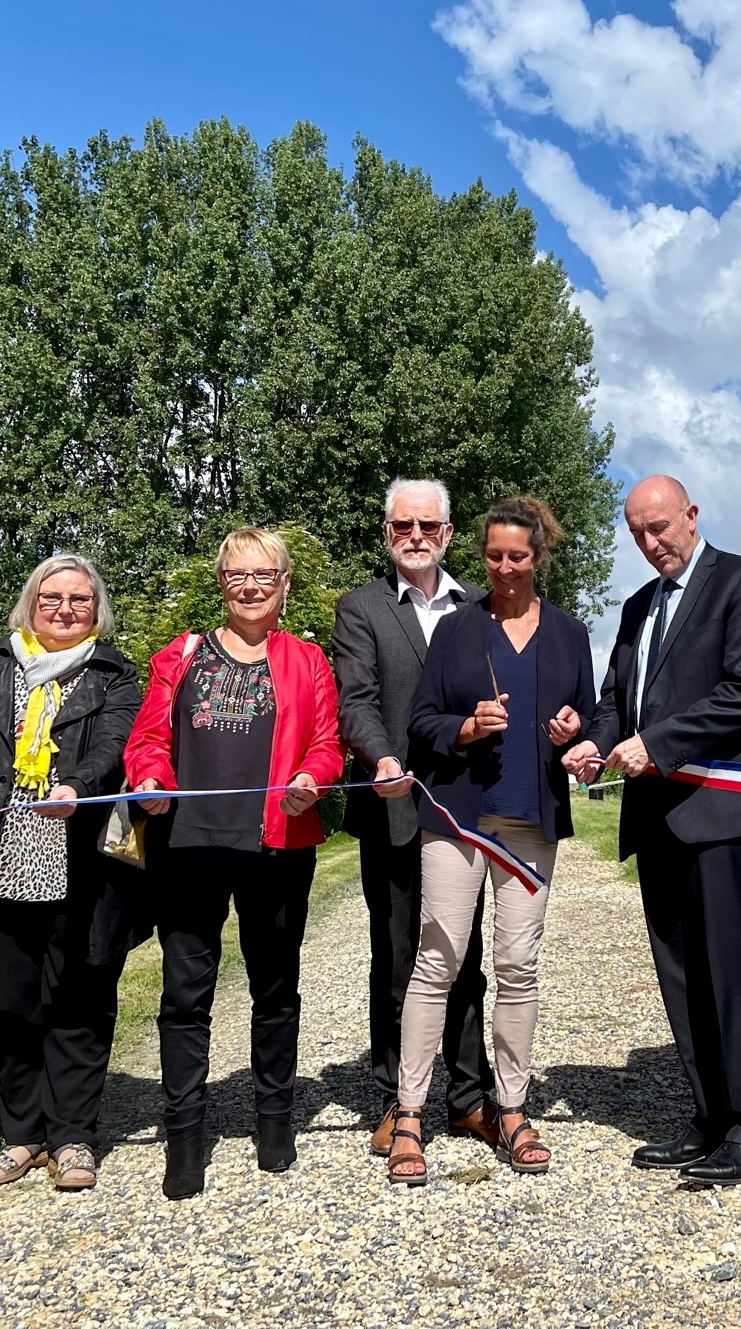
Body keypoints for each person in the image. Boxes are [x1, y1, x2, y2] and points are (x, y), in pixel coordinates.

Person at [563, 475, 741, 1187]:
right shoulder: (636, 608)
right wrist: (592, 741)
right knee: (684, 980)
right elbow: (614, 702)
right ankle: (712, 1118)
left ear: (692, 516)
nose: (651, 542)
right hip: (658, 820)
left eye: (660, 527)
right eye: (638, 532)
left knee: (737, 977)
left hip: (727, 818)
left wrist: (657, 742)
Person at [125, 527, 343, 1199]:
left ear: (284, 583)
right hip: (187, 849)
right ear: (221, 581)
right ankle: (185, 1136)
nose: (250, 586)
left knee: (274, 992)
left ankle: (274, 1120)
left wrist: (312, 777)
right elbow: (148, 740)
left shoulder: (309, 661)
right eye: (237, 574)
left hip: (277, 847)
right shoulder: (180, 656)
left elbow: (329, 746)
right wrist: (152, 780)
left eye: (264, 575)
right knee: (185, 999)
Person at [386, 497, 597, 1184]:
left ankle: (511, 1107)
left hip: (530, 820)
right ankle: (411, 1112)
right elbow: (422, 722)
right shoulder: (454, 630)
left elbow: (590, 714)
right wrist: (464, 729)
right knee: (438, 959)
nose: (504, 568)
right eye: (493, 556)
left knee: (517, 965)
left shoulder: (568, 633)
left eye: (518, 556)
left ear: (539, 558)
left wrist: (577, 733)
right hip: (457, 815)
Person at [0, 555, 144, 1191]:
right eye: (53, 597)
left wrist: (77, 785)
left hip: (79, 862)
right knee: (11, 1002)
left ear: (95, 610)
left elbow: (114, 746)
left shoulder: (113, 673)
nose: (66, 609)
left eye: (80, 599)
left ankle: (74, 1135)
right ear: (31, 601)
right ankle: (21, 1134)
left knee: (79, 999)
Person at [331, 478, 496, 1159]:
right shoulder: (362, 608)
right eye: (404, 527)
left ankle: (468, 1095)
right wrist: (381, 756)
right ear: (387, 532)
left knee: (466, 956)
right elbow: (356, 699)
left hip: (467, 811)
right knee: (399, 958)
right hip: (394, 806)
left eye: (429, 526)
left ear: (449, 533)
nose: (417, 537)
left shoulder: (484, 609)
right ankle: (401, 1099)